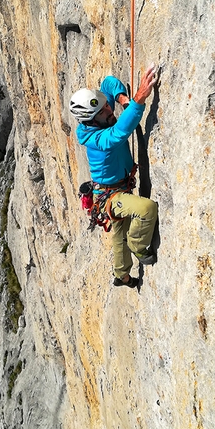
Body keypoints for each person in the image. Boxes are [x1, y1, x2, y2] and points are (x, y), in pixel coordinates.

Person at [69, 64, 159, 289]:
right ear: (90, 120)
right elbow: (118, 134)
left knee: (118, 232)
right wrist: (138, 100)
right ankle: (138, 246)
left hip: (115, 189)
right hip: (110, 195)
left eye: (107, 105)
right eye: (103, 112)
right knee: (146, 209)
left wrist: (120, 97)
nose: (109, 111)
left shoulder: (100, 112)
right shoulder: (96, 140)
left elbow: (107, 82)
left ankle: (122, 274)